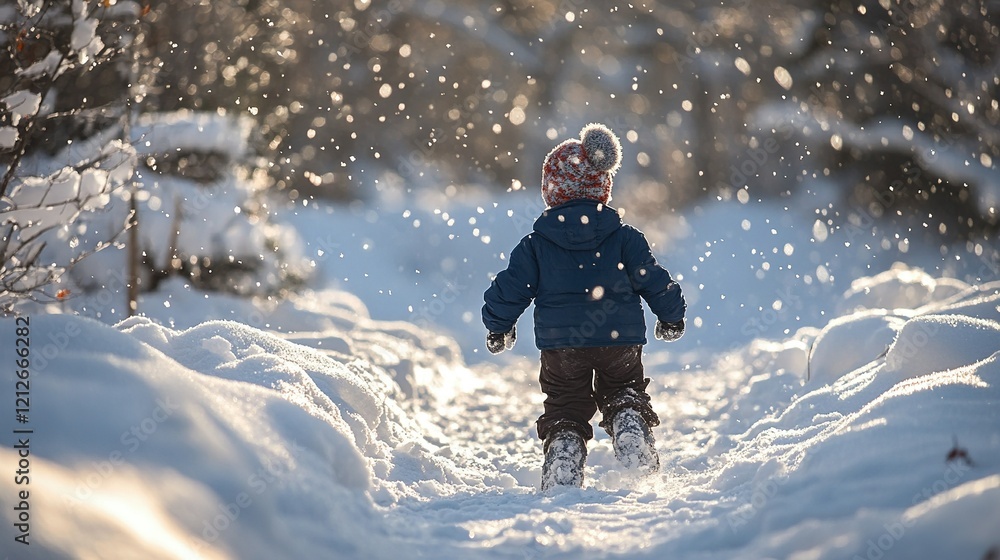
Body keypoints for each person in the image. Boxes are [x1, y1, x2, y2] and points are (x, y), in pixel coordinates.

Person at [482, 123, 686, 491]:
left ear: (550, 191)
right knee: (624, 388)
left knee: (565, 405)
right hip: (618, 339)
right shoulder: (625, 238)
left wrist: (498, 325)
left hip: (562, 347)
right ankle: (628, 423)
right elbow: (653, 279)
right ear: (603, 188)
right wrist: (671, 315)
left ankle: (563, 452)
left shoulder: (536, 245)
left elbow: (510, 289)